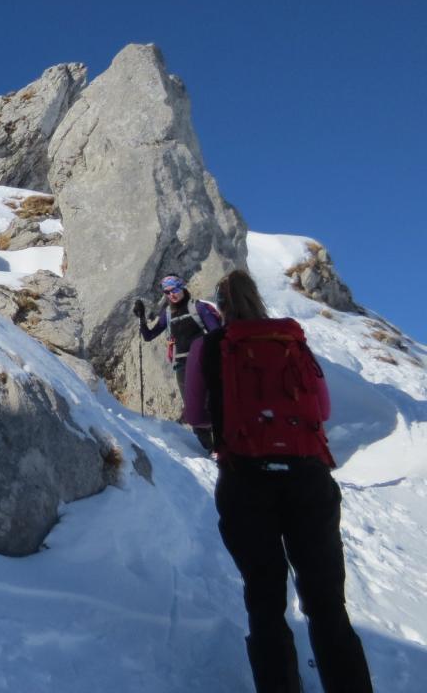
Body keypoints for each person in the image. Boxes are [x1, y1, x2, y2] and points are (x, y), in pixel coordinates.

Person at [185, 269, 373, 693]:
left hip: (245, 479)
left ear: (220, 306)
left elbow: (196, 414)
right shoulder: (292, 341)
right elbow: (322, 410)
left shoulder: (208, 346)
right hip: (308, 478)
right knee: (327, 603)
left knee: (265, 599)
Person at [135, 274, 221, 449]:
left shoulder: (198, 307)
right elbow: (149, 336)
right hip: (182, 366)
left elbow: (218, 334)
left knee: (212, 404)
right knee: (193, 410)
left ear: (182, 287)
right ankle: (211, 450)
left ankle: (222, 447)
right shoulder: (168, 313)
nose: (171, 295)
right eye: (167, 292)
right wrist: (142, 318)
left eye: (174, 289)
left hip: (203, 361)